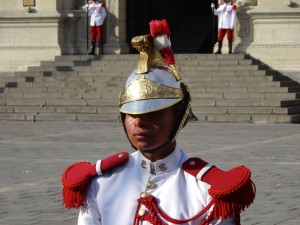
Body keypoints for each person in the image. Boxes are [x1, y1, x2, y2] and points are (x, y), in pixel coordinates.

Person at [61, 19, 255, 225]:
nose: (139, 122)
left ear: (182, 119)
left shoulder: (208, 191)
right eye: (131, 113)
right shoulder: (100, 184)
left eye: (153, 113)